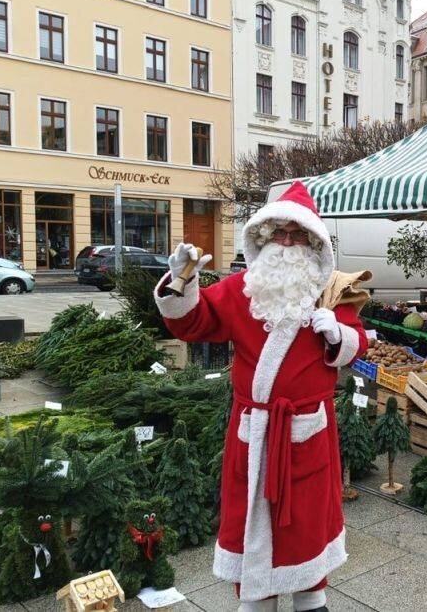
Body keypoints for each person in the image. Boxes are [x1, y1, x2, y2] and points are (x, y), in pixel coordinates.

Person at [153, 181, 368, 612]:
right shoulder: (242, 288)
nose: (287, 243)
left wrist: (338, 334)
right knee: (251, 518)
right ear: (264, 238)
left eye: (297, 234)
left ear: (313, 241)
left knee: (306, 522)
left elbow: (358, 343)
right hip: (254, 429)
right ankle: (257, 599)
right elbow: (192, 323)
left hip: (308, 429)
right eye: (279, 234)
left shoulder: (332, 290)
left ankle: (311, 596)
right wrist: (181, 280)